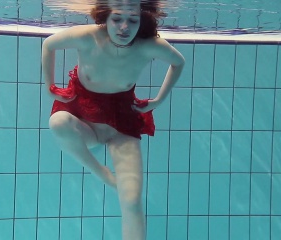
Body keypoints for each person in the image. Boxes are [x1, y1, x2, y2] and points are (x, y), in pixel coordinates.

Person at [42, 0, 185, 239]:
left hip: (121, 124)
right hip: (82, 119)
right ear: (105, 18)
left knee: (131, 199)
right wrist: (49, 86)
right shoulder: (87, 36)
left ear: (141, 21)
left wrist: (159, 100)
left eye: (132, 20)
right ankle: (99, 170)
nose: (124, 28)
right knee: (57, 123)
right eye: (117, 19)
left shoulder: (148, 46)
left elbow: (178, 62)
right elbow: (49, 44)